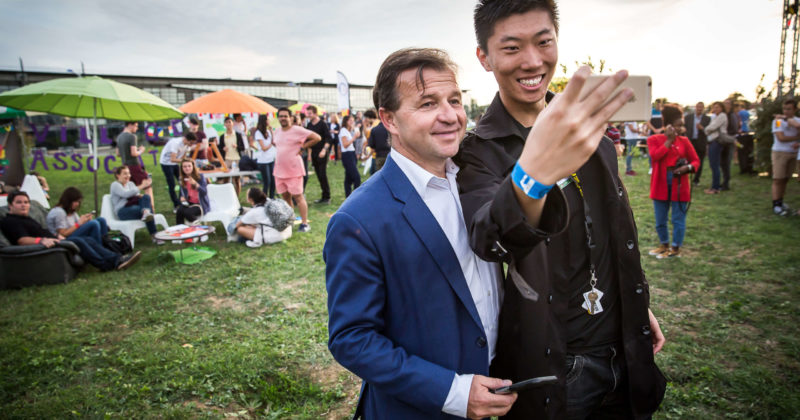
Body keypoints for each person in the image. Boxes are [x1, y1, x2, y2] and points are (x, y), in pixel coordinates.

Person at [454, 1, 666, 418]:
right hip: (557, 365)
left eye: (543, 41)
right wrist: (533, 175)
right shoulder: (478, 152)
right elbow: (489, 238)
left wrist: (635, 305)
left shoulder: (593, 134)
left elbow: (610, 233)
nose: (532, 61)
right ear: (485, 57)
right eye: (511, 48)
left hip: (625, 346)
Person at [325, 47, 517, 420]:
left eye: (455, 100)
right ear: (390, 120)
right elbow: (352, 339)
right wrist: (454, 392)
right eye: (428, 103)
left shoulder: (482, 183)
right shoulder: (358, 219)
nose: (450, 116)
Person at [3, 191, 140, 271]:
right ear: (10, 205)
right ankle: (110, 263)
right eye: (19, 202)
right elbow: (22, 240)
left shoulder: (26, 218)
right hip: (47, 246)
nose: (24, 205)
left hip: (56, 239)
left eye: (26, 202)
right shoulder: (11, 221)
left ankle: (116, 258)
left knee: (88, 239)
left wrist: (55, 236)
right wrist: (42, 240)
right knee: (80, 240)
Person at [646, 104, 700, 259]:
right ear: (668, 125)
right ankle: (664, 244)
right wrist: (669, 140)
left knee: (678, 218)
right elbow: (655, 156)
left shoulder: (684, 141)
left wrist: (687, 168)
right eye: (678, 125)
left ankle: (675, 248)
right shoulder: (654, 139)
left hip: (679, 182)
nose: (681, 128)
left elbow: (696, 161)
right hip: (661, 182)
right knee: (660, 219)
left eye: (681, 125)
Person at [273, 107, 321, 233]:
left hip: (294, 170)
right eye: (281, 116)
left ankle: (304, 224)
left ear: (290, 117)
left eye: (285, 116)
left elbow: (317, 137)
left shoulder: (297, 130)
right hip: (279, 170)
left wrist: (303, 147)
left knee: (298, 197)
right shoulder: (277, 131)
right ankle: (290, 220)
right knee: (285, 197)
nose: (283, 118)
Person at [110, 166, 158, 239]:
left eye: (129, 173)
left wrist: (140, 196)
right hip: (122, 211)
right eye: (125, 174)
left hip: (134, 207)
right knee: (148, 210)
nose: (128, 175)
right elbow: (126, 194)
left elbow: (135, 195)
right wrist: (142, 186)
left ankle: (146, 213)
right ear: (118, 175)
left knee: (146, 197)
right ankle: (154, 234)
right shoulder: (115, 185)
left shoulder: (130, 184)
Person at [770, 98, 800, 216]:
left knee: (786, 178)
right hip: (780, 152)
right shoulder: (778, 121)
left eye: (789, 109)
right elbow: (780, 137)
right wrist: (796, 137)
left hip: (794, 153)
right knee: (778, 178)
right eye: (784, 109)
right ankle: (776, 204)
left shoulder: (796, 120)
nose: (786, 111)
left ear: (795, 109)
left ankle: (781, 201)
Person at [116, 121, 153, 207]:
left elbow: (118, 153)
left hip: (125, 166)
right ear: (130, 125)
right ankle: (151, 208)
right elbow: (134, 153)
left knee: (132, 188)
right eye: (136, 126)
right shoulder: (132, 137)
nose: (137, 128)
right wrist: (140, 151)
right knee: (147, 185)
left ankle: (136, 207)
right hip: (134, 165)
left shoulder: (119, 137)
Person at [159, 132, 197, 210]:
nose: (191, 145)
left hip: (175, 163)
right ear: (186, 139)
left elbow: (183, 158)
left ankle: (182, 201)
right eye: (191, 143)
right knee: (172, 184)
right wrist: (187, 161)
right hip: (166, 163)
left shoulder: (187, 146)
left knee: (184, 181)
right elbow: (172, 159)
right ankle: (176, 205)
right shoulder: (175, 143)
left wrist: (188, 161)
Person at [306, 105, 334, 204]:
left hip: (322, 152)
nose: (308, 115)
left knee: (322, 174)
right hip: (313, 153)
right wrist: (309, 154)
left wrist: (324, 150)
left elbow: (328, 138)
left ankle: (327, 196)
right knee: (318, 175)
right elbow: (308, 140)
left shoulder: (322, 124)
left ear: (315, 113)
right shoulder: (309, 125)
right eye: (307, 113)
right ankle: (323, 196)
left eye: (310, 113)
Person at [703, 101, 728, 195]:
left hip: (717, 141)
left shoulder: (722, 116)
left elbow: (711, 127)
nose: (716, 109)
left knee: (715, 165)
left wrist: (706, 129)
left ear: (721, 108)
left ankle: (715, 187)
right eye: (714, 107)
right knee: (713, 165)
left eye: (718, 107)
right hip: (713, 141)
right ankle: (714, 186)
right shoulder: (716, 116)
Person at [176, 159, 209, 225]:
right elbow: (181, 194)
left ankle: (197, 226)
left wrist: (195, 184)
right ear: (182, 168)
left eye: (189, 166)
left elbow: (204, 192)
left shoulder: (200, 177)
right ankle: (180, 229)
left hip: (200, 204)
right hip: (189, 203)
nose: (187, 168)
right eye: (184, 167)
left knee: (187, 213)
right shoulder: (182, 178)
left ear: (193, 167)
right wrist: (181, 198)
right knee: (179, 211)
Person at [685, 102, 710, 186]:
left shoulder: (707, 119)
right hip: (690, 142)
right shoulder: (688, 117)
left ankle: (696, 179)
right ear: (695, 107)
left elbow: (708, 131)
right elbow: (685, 129)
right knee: (688, 160)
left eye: (701, 107)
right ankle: (687, 178)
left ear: (703, 108)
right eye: (698, 107)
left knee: (699, 161)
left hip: (701, 142)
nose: (699, 108)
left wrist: (702, 128)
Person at [253, 114, 277, 199]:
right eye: (267, 120)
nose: (269, 121)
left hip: (271, 159)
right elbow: (263, 148)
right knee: (267, 181)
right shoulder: (258, 133)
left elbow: (274, 141)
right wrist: (271, 144)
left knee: (273, 181)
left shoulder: (268, 131)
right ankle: (264, 199)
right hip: (263, 160)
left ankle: (272, 197)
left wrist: (271, 131)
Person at [338, 115, 362, 198]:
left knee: (348, 178)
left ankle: (348, 197)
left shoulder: (348, 131)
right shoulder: (343, 131)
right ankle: (355, 197)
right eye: (350, 121)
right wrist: (354, 137)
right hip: (347, 155)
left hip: (351, 154)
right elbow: (345, 145)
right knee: (356, 178)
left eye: (353, 120)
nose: (352, 122)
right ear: (346, 121)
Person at [720, 98, 740, 191]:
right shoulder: (722, 115)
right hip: (721, 142)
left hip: (729, 141)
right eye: (725, 103)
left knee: (727, 163)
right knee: (722, 163)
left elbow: (734, 130)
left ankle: (726, 183)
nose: (726, 105)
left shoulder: (732, 116)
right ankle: (723, 181)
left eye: (728, 103)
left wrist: (726, 136)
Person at [737, 101, 755, 175]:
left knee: (741, 152)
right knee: (750, 151)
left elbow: (739, 122)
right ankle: (750, 167)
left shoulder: (740, 113)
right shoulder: (748, 113)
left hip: (742, 134)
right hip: (750, 133)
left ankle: (743, 168)